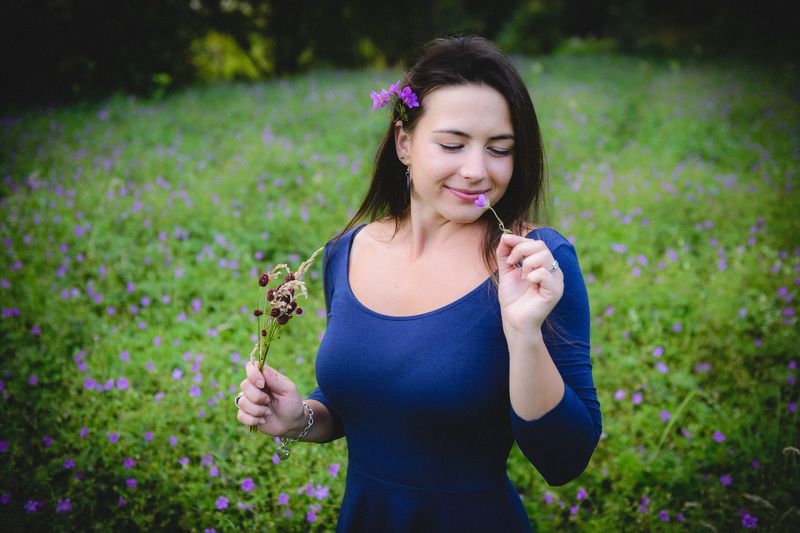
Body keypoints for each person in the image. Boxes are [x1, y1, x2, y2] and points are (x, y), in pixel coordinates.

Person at [236, 35, 602, 532]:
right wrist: (300, 417)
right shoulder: (349, 251)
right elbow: (361, 404)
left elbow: (565, 460)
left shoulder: (535, 264)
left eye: (499, 150)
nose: (476, 171)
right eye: (452, 145)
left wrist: (524, 334)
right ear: (404, 143)